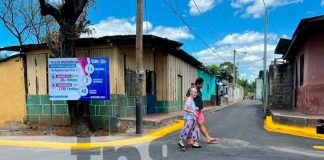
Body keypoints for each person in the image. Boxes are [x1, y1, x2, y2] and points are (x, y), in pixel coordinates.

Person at [186, 77, 217, 143]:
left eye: (202, 84)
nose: (202, 86)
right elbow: (186, 99)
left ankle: (208, 138)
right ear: (197, 84)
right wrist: (192, 108)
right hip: (194, 111)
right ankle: (189, 140)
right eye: (201, 84)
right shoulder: (192, 90)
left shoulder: (199, 90)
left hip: (199, 111)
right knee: (192, 125)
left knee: (202, 123)